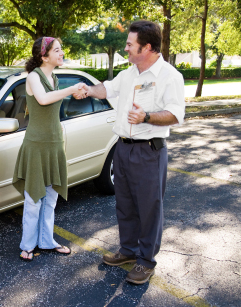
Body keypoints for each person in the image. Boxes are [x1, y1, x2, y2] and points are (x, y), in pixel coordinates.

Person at [76, 20, 185, 284]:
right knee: (124, 205)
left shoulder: (170, 76)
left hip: (149, 152)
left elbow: (175, 114)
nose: (126, 49)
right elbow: (108, 88)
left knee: (149, 208)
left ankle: (146, 261)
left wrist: (146, 116)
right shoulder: (130, 73)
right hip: (122, 149)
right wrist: (89, 90)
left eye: (129, 44)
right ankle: (128, 250)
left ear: (146, 47)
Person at [13, 37, 86, 261]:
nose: (61, 53)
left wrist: (73, 92)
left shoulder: (53, 77)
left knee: (51, 198)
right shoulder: (33, 76)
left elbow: (53, 99)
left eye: (61, 49)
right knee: (34, 198)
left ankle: (46, 241)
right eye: (57, 50)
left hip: (54, 143)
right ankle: (27, 245)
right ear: (44, 56)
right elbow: (43, 100)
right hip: (36, 145)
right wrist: (70, 89)